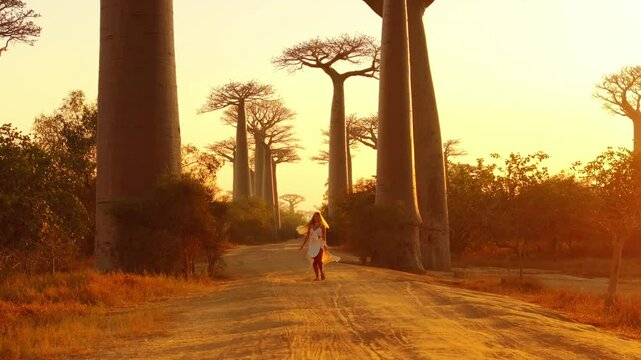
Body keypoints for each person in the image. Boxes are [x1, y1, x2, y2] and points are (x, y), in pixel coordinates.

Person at [298, 212, 340, 280]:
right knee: (314, 261)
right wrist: (303, 245)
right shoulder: (311, 225)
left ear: (320, 217)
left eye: (317, 216)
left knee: (319, 260)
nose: (316, 218)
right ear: (313, 218)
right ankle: (317, 276)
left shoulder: (322, 226)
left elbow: (324, 237)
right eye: (315, 217)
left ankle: (322, 273)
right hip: (312, 244)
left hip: (319, 244)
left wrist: (324, 244)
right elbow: (307, 236)